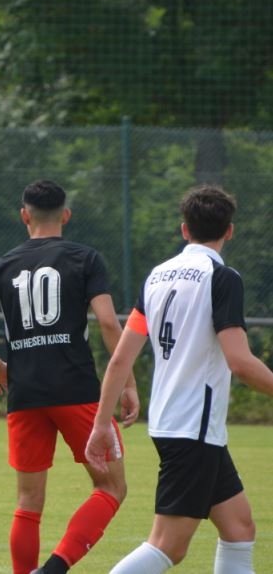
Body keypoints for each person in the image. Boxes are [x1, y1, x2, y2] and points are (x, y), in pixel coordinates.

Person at [86, 185, 273, 574]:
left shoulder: (157, 276)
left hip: (176, 423)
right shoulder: (222, 278)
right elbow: (240, 362)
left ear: (184, 229)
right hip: (193, 428)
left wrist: (101, 423)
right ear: (230, 231)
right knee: (167, 546)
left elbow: (121, 358)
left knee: (239, 527)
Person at [0, 179, 140, 574]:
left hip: (24, 394)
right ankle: (54, 569)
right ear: (66, 215)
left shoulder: (1, 266)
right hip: (77, 391)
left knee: (28, 502)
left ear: (24, 216)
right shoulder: (86, 258)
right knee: (111, 487)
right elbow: (109, 323)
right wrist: (128, 383)